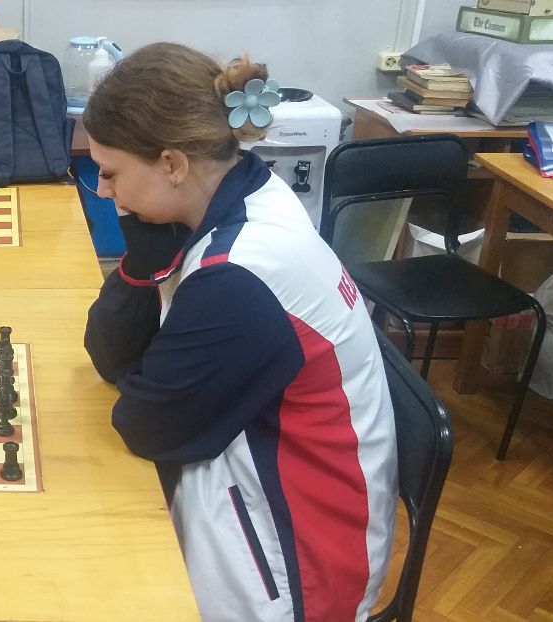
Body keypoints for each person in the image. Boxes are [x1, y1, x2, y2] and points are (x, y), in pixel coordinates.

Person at [82, 43, 398, 622]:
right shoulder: (240, 192)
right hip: (274, 490)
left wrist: (145, 368)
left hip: (304, 564)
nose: (103, 191)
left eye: (110, 173)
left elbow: (144, 423)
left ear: (173, 164)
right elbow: (113, 360)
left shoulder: (240, 272)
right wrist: (144, 255)